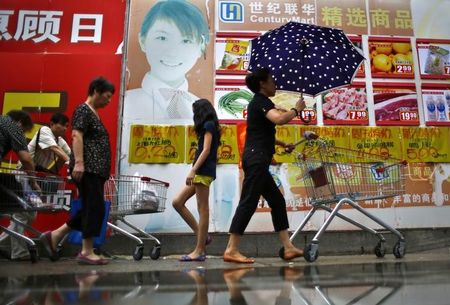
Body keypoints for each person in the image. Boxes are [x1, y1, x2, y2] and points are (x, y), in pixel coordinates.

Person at [223, 68, 306, 264]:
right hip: (257, 160)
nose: (275, 84)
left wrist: (281, 144)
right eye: (272, 80)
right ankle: (231, 249)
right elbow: (279, 120)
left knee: (277, 201)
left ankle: (288, 248)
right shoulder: (260, 102)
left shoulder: (262, 103)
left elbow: (260, 132)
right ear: (262, 83)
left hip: (259, 159)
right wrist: (297, 109)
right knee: (248, 201)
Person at [41, 77, 115, 265]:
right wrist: (80, 163)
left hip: (96, 170)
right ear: (96, 91)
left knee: (91, 207)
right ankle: (86, 251)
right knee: (95, 207)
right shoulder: (83, 110)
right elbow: (76, 135)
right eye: (107, 96)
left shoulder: (94, 113)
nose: (109, 101)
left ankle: (55, 236)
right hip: (88, 169)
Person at [0, 113, 71, 261]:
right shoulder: (45, 131)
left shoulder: (60, 141)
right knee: (22, 214)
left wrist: (76, 162)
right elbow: (55, 149)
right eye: (62, 124)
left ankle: (4, 244)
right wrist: (70, 163)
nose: (64, 128)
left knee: (29, 214)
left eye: (66, 126)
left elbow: (68, 153)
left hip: (33, 179)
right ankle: (19, 253)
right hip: (23, 177)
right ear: (51, 124)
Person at [173, 99, 220, 261]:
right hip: (202, 171)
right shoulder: (210, 126)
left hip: (202, 172)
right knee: (177, 202)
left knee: (203, 209)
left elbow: (206, 150)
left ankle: (199, 251)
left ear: (201, 111)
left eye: (195, 112)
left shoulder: (208, 125)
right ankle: (203, 236)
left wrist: (193, 170)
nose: (194, 116)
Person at [0, 110, 38, 261]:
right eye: (24, 130)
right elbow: (26, 159)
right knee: (22, 208)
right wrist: (33, 182)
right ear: (20, 123)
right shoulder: (13, 127)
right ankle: (19, 252)